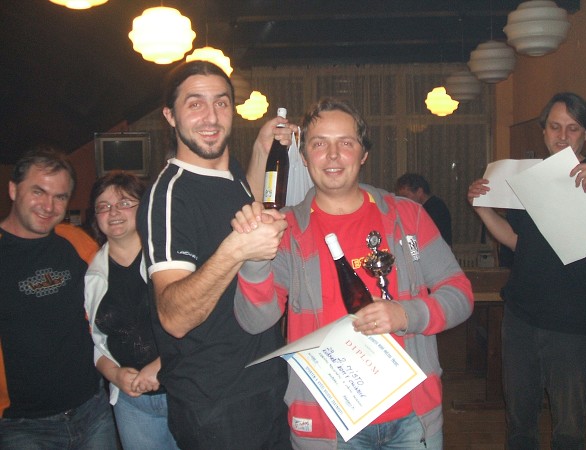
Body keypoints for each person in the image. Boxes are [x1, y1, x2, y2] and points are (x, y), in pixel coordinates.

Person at [233, 98, 474, 449]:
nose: (332, 155)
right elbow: (254, 321)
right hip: (327, 423)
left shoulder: (408, 216)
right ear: (304, 157)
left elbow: (460, 294)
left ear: (363, 154)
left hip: (412, 417)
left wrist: (407, 314)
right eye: (319, 144)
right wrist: (254, 257)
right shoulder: (286, 230)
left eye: (345, 143)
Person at [136, 60, 294, 449]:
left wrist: (261, 149)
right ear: (170, 116)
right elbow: (174, 318)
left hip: (266, 381)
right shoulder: (169, 195)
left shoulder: (231, 173)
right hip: (216, 403)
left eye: (221, 103)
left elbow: (242, 204)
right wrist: (236, 249)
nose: (211, 117)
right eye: (195, 104)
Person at [467, 92, 586, 450]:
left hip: (575, 324)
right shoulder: (529, 179)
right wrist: (482, 209)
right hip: (521, 318)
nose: (562, 136)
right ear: (543, 131)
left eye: (573, 128)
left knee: (569, 431)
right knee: (520, 425)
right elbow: (517, 241)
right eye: (555, 127)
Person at [0, 146, 117, 449]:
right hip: (21, 425)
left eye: (60, 197)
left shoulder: (76, 241)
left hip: (92, 409)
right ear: (13, 190)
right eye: (38, 192)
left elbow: (114, 297)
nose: (48, 206)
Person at [84, 171, 178, 450]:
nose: (113, 212)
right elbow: (95, 342)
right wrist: (115, 375)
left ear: (144, 207)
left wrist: (161, 364)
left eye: (124, 203)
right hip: (132, 403)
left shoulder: (170, 259)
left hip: (181, 391)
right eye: (103, 206)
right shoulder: (90, 275)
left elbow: (199, 320)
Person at [395, 173, 452, 246]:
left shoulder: (435, 208)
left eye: (405, 196)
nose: (402, 200)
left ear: (419, 192)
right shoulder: (429, 207)